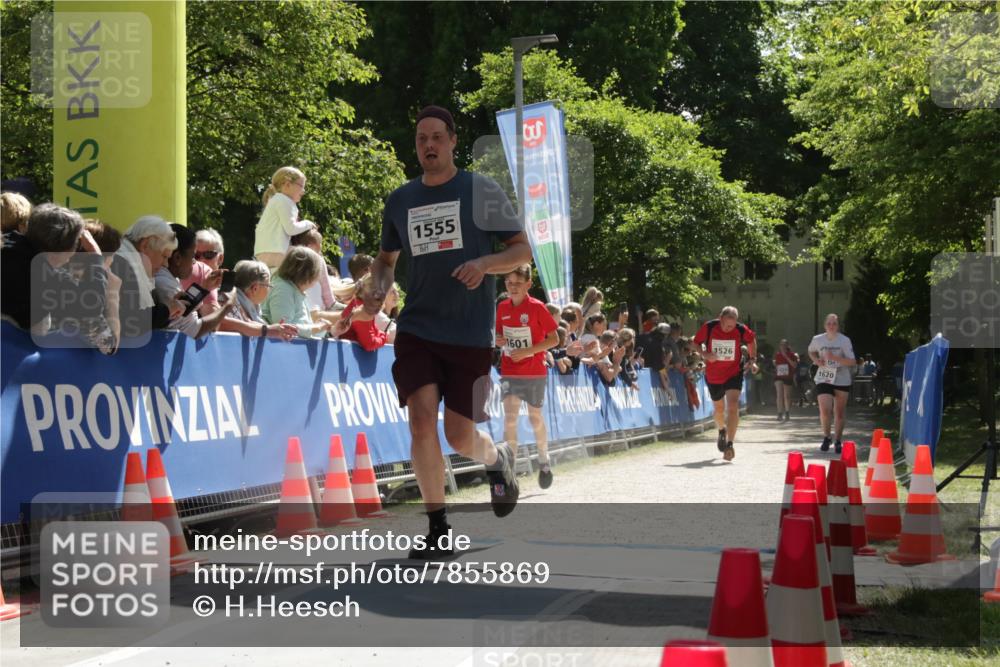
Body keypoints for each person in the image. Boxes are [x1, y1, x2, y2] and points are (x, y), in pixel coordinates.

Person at [370, 105, 531, 558]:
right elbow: (385, 260)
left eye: (437, 137)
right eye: (422, 139)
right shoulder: (401, 200)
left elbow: (522, 251)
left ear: (454, 141)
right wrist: (377, 289)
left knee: (460, 436)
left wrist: (484, 263)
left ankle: (499, 461)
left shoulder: (482, 190)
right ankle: (438, 526)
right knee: (421, 421)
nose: (429, 146)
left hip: (470, 332)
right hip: (418, 327)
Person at [1, 204, 111, 345]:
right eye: (77, 243)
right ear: (62, 249)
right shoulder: (43, 276)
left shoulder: (9, 243)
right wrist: (96, 256)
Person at [495, 264, 559, 489]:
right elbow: (499, 335)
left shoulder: (538, 307)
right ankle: (509, 470)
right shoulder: (501, 307)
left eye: (517, 283)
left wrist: (529, 350)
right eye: (509, 283)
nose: (512, 287)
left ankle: (544, 458)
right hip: (510, 369)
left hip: (533, 371)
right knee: (510, 418)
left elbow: (555, 340)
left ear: (528, 285)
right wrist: (499, 340)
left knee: (534, 418)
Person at [693, 306, 758, 461]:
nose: (730, 329)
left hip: (733, 372)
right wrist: (705, 354)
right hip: (714, 374)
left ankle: (730, 444)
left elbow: (751, 341)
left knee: (733, 405)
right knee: (719, 409)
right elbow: (695, 343)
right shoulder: (709, 327)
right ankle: (722, 429)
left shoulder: (740, 329)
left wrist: (752, 359)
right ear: (720, 318)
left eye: (733, 325)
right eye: (727, 325)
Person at [154, 224, 234, 339]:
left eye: (208, 255)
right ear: (177, 258)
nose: (195, 263)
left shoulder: (167, 277)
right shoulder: (164, 283)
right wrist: (227, 307)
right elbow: (196, 330)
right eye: (193, 256)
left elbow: (185, 310)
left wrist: (205, 288)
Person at [112, 216, 179, 341]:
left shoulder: (123, 260)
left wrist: (168, 307)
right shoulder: (121, 265)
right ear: (145, 245)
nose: (166, 264)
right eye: (164, 256)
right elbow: (134, 321)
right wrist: (167, 310)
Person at [808, 313, 857, 453]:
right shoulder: (817, 339)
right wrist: (817, 361)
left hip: (841, 377)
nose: (831, 326)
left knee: (839, 413)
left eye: (834, 323)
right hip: (824, 376)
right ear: (824, 326)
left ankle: (837, 440)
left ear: (838, 326)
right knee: (825, 410)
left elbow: (852, 361)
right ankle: (826, 437)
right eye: (829, 323)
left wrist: (834, 357)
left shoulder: (844, 340)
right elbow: (811, 351)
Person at [262, 246, 332, 339]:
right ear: (308, 273)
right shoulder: (282, 288)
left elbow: (305, 333)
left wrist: (332, 331)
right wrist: (318, 327)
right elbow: (284, 328)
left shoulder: (294, 289)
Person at [217, 260, 297, 341]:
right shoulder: (227, 297)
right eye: (268, 285)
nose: (269, 289)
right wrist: (267, 330)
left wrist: (272, 329)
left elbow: (247, 323)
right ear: (255, 288)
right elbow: (220, 323)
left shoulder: (240, 302)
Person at [253, 166, 315, 269]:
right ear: (287, 185)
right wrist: (308, 223)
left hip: (264, 251)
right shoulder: (284, 200)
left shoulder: (276, 200)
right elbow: (291, 228)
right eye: (301, 186)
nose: (304, 191)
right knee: (308, 261)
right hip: (275, 250)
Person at [335, 273, 391, 352]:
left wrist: (382, 334)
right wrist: (384, 337)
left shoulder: (359, 303)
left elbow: (372, 330)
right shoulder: (364, 310)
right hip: (349, 357)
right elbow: (369, 344)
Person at [773, 339, 798, 421]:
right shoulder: (777, 355)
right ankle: (779, 413)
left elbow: (794, 365)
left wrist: (786, 357)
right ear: (779, 346)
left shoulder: (792, 354)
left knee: (787, 396)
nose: (782, 346)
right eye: (781, 345)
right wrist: (776, 368)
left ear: (787, 346)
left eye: (784, 345)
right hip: (779, 376)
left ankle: (787, 412)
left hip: (788, 377)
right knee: (779, 394)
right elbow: (776, 365)